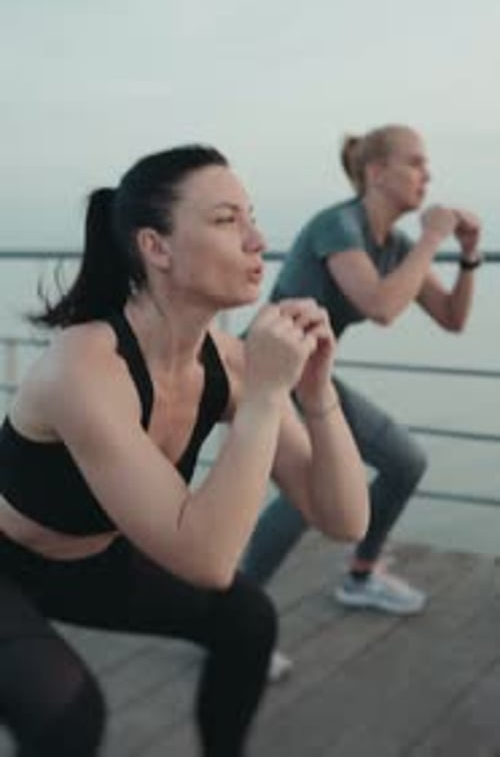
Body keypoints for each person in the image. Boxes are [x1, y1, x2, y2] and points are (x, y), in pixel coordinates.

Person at [0, 143, 369, 757]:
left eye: (251, 217)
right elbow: (206, 560)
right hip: (6, 562)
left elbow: (344, 518)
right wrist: (263, 399)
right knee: (67, 716)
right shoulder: (85, 365)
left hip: (91, 562)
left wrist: (316, 387)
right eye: (228, 220)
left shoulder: (228, 364)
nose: (257, 239)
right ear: (156, 247)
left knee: (247, 619)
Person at [242, 124, 482, 639]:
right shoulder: (339, 226)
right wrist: (434, 236)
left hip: (307, 375)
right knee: (310, 492)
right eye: (415, 162)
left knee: (405, 462)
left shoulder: (394, 245)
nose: (428, 174)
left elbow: (451, 317)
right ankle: (229, 616)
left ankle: (361, 574)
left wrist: (467, 256)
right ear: (376, 172)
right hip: (263, 367)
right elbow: (381, 305)